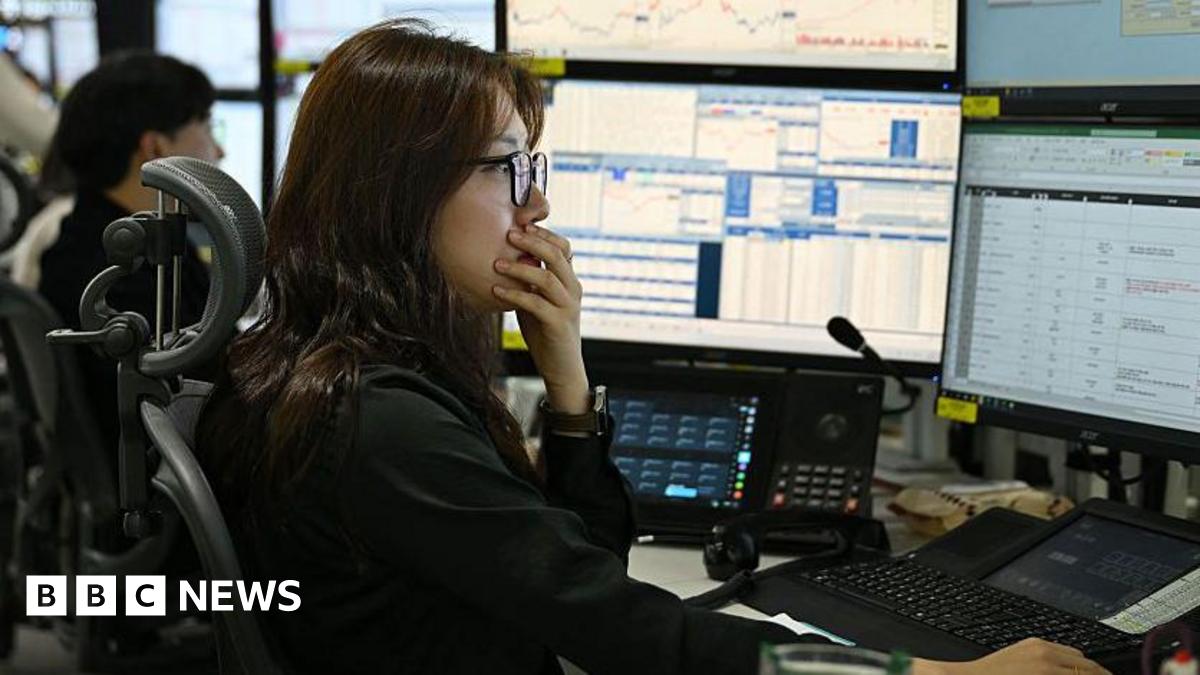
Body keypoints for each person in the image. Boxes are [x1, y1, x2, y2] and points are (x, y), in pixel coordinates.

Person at [197, 20, 1110, 675]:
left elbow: (577, 569)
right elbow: (624, 632)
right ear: (399, 189)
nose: (537, 204)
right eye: (508, 165)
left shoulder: (326, 367)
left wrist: (567, 381)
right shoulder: (378, 423)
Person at [38, 51, 222, 452]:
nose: (218, 151)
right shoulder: (121, 276)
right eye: (207, 128)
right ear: (155, 147)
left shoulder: (103, 243)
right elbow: (213, 397)